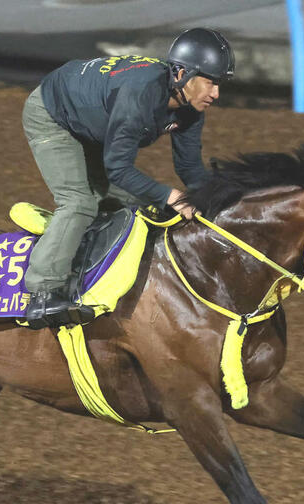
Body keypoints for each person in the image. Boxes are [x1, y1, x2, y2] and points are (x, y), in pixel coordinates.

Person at [21, 27, 235, 329]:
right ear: (182, 74)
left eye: (219, 84)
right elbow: (118, 169)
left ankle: (87, 265)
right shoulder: (141, 94)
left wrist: (216, 201)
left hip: (94, 123)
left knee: (140, 203)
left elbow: (189, 168)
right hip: (55, 116)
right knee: (80, 202)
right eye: (211, 82)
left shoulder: (191, 108)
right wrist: (172, 197)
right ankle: (42, 292)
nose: (216, 94)